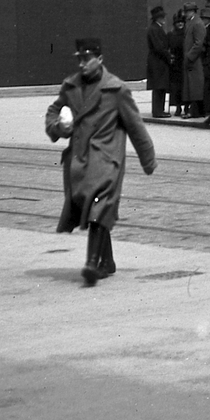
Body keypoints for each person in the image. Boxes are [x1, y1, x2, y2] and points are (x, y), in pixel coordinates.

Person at [46, 38, 157, 285]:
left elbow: (135, 126)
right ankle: (106, 261)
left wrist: (147, 159)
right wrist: (58, 127)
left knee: (99, 202)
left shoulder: (116, 90)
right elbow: (54, 111)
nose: (83, 64)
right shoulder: (71, 86)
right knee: (94, 206)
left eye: (87, 59)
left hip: (107, 158)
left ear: (100, 59)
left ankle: (91, 264)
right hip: (80, 158)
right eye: (80, 59)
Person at [146, 5, 174, 117]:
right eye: (161, 17)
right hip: (158, 62)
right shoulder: (154, 29)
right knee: (159, 87)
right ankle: (158, 111)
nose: (164, 19)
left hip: (158, 61)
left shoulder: (155, 28)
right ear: (157, 18)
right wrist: (168, 56)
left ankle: (159, 110)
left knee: (160, 86)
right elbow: (158, 47)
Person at [181, 2, 207, 119]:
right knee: (193, 86)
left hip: (195, 61)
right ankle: (194, 110)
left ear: (192, 11)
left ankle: (196, 111)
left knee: (196, 86)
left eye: (187, 11)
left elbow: (199, 43)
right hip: (192, 60)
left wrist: (189, 56)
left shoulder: (197, 23)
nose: (185, 14)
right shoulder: (191, 22)